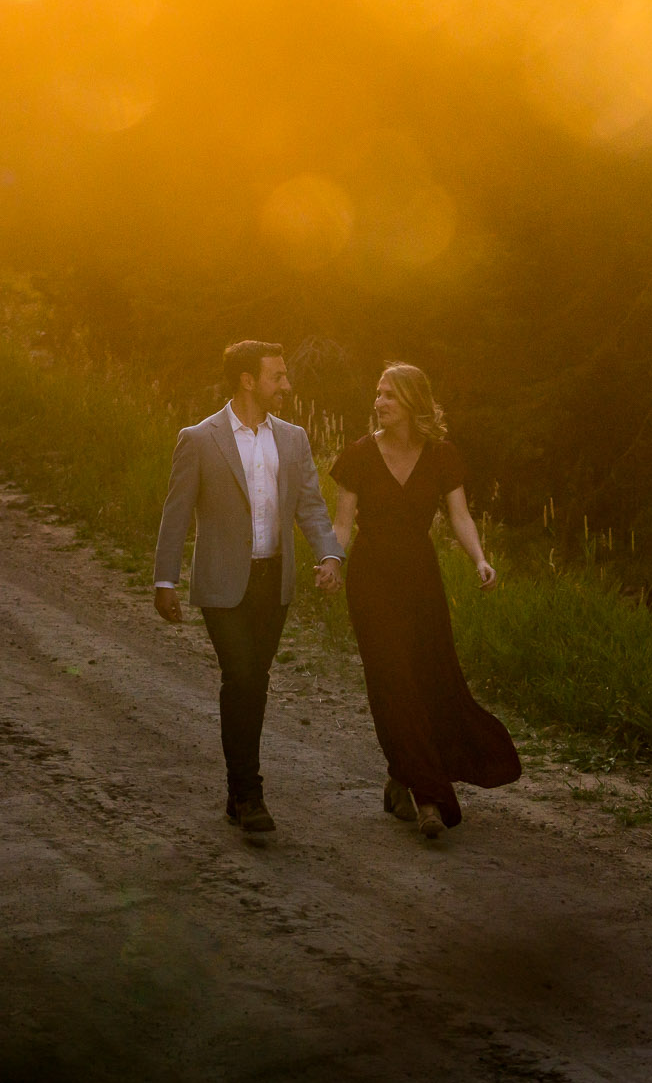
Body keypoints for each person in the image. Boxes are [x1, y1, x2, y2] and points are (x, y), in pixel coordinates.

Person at [154, 341, 344, 834]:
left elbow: (311, 505)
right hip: (221, 583)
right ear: (247, 379)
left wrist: (329, 553)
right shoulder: (198, 439)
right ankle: (247, 790)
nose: (286, 385)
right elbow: (175, 516)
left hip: (273, 582)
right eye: (277, 376)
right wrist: (165, 579)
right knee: (240, 676)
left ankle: (238, 792)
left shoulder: (294, 439)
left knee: (254, 682)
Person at [328, 362, 520, 839]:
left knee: (427, 679)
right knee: (392, 678)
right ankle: (430, 795)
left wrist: (479, 560)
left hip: (420, 581)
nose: (379, 401)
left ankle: (400, 778)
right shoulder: (357, 455)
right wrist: (331, 561)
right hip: (371, 580)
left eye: (389, 395)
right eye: (377, 393)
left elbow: (460, 517)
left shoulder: (441, 456)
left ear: (412, 403)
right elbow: (341, 524)